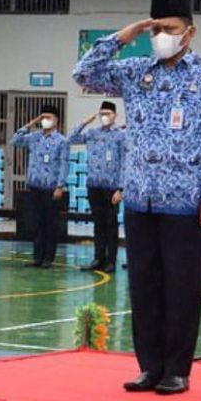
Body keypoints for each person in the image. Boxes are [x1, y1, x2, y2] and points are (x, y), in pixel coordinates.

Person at [72, 0, 201, 395]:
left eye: (170, 29)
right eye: (157, 29)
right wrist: (125, 36)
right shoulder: (136, 72)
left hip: (186, 201)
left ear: (190, 32)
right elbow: (83, 74)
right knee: (143, 286)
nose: (162, 36)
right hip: (141, 197)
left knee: (181, 287)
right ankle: (149, 366)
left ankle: (177, 369)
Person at [9, 105, 69, 269]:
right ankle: (37, 257)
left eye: (48, 117)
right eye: (43, 117)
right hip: (35, 186)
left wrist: (60, 186)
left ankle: (48, 258)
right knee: (36, 223)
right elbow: (14, 140)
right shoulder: (34, 137)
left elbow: (64, 164)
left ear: (56, 120)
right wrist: (31, 123)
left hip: (51, 188)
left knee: (50, 223)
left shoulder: (62, 141)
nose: (45, 120)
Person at [70, 101, 125, 272]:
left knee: (111, 224)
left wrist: (121, 189)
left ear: (115, 115)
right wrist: (85, 122)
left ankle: (110, 261)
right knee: (98, 224)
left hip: (111, 187)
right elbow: (71, 138)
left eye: (108, 113)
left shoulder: (121, 135)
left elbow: (125, 162)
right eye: (102, 114)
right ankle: (98, 259)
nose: (104, 117)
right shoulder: (92, 133)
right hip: (94, 185)